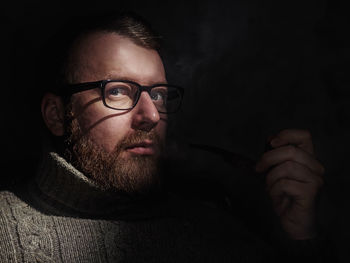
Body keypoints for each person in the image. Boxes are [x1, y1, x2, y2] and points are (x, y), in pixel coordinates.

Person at [0, 11, 335, 262]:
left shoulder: (212, 230)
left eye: (157, 94)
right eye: (117, 91)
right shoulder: (6, 231)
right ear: (56, 115)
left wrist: (297, 238)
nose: (151, 115)